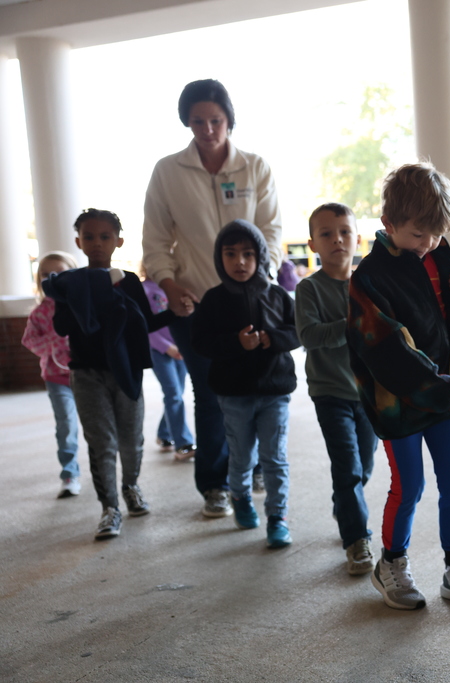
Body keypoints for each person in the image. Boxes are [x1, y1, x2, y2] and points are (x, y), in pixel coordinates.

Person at [347, 163, 450, 610]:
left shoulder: (438, 253)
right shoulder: (368, 279)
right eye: (418, 235)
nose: (428, 244)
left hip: (444, 394)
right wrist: (434, 387)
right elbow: (384, 348)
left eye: (436, 234)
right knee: (408, 484)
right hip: (399, 402)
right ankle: (390, 562)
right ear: (388, 224)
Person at [142, 78, 283, 519]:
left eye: (216, 120)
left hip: (252, 299)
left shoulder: (254, 167)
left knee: (259, 387)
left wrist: (265, 280)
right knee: (210, 393)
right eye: (198, 121)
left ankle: (257, 467)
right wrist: (168, 284)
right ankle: (214, 484)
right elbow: (155, 238)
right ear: (187, 121)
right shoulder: (167, 171)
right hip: (197, 303)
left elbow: (273, 230)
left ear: (229, 120)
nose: (207, 129)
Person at [44, 209, 179, 540]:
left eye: (105, 236)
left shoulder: (128, 281)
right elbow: (60, 325)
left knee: (131, 439)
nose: (97, 243)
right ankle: (110, 508)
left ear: (118, 241)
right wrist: (92, 299)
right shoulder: (70, 283)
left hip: (127, 371)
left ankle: (131, 487)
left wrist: (176, 311)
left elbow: (145, 323)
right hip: (86, 373)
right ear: (78, 241)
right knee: (101, 442)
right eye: (89, 237)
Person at [191, 220, 298, 549]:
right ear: (219, 257)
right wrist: (237, 343)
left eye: (248, 254)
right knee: (241, 457)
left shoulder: (278, 295)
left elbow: (297, 332)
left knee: (274, 457)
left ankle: (277, 517)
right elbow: (202, 343)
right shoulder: (212, 300)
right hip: (233, 395)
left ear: (261, 257)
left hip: (274, 392)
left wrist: (272, 339)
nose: (240, 261)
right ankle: (240, 498)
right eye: (231, 254)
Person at [295, 203, 378, 575]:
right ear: (313, 244)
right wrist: (350, 324)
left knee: (363, 467)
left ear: (357, 239)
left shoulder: (369, 283)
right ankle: (356, 540)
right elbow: (310, 337)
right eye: (326, 233)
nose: (337, 239)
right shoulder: (308, 289)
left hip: (370, 392)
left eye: (344, 231)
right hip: (329, 393)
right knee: (346, 467)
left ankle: (345, 502)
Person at [22, 251, 82, 498]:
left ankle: (104, 471)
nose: (53, 278)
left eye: (60, 273)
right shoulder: (39, 313)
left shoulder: (81, 305)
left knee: (97, 427)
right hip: (56, 378)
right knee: (66, 425)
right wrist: (54, 340)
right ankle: (70, 474)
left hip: (86, 374)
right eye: (46, 274)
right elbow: (29, 340)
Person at [139, 264, 195, 460]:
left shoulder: (179, 287)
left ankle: (164, 434)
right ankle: (183, 443)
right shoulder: (144, 289)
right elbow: (145, 326)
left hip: (181, 349)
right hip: (159, 352)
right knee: (173, 394)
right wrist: (167, 348)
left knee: (176, 394)